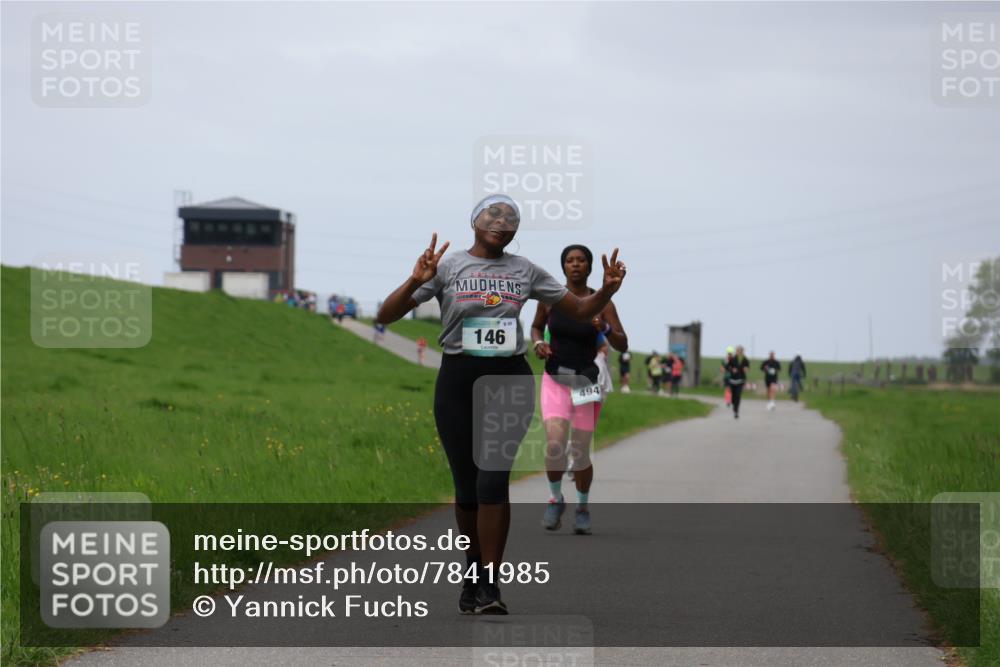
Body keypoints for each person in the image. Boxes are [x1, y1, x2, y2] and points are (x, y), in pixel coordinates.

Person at [375, 195, 627, 615]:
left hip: (509, 379)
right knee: (466, 488)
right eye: (493, 214)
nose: (502, 221)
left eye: (510, 217)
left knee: (492, 482)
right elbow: (386, 315)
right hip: (457, 379)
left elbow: (581, 309)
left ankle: (490, 585)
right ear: (475, 221)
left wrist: (606, 291)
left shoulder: (525, 270)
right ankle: (472, 571)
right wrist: (414, 279)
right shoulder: (449, 267)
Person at [531, 244, 628, 536]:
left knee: (580, 450)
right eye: (570, 260)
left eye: (581, 260)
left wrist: (605, 329)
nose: (575, 264)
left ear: (589, 267)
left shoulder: (603, 303)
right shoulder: (550, 299)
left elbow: (622, 343)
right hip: (556, 379)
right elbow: (536, 327)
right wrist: (538, 342)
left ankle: (582, 507)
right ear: (563, 267)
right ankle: (555, 499)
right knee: (554, 444)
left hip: (586, 381)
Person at [725, 345, 750, 419]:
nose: (739, 352)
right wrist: (732, 369)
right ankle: (733, 405)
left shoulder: (745, 359)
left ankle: (736, 411)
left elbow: (747, 368)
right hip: (732, 381)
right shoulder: (732, 359)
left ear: (743, 351)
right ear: (736, 351)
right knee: (733, 396)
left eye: (740, 351)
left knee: (738, 395)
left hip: (741, 380)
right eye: (738, 351)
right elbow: (727, 367)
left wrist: (746, 369)